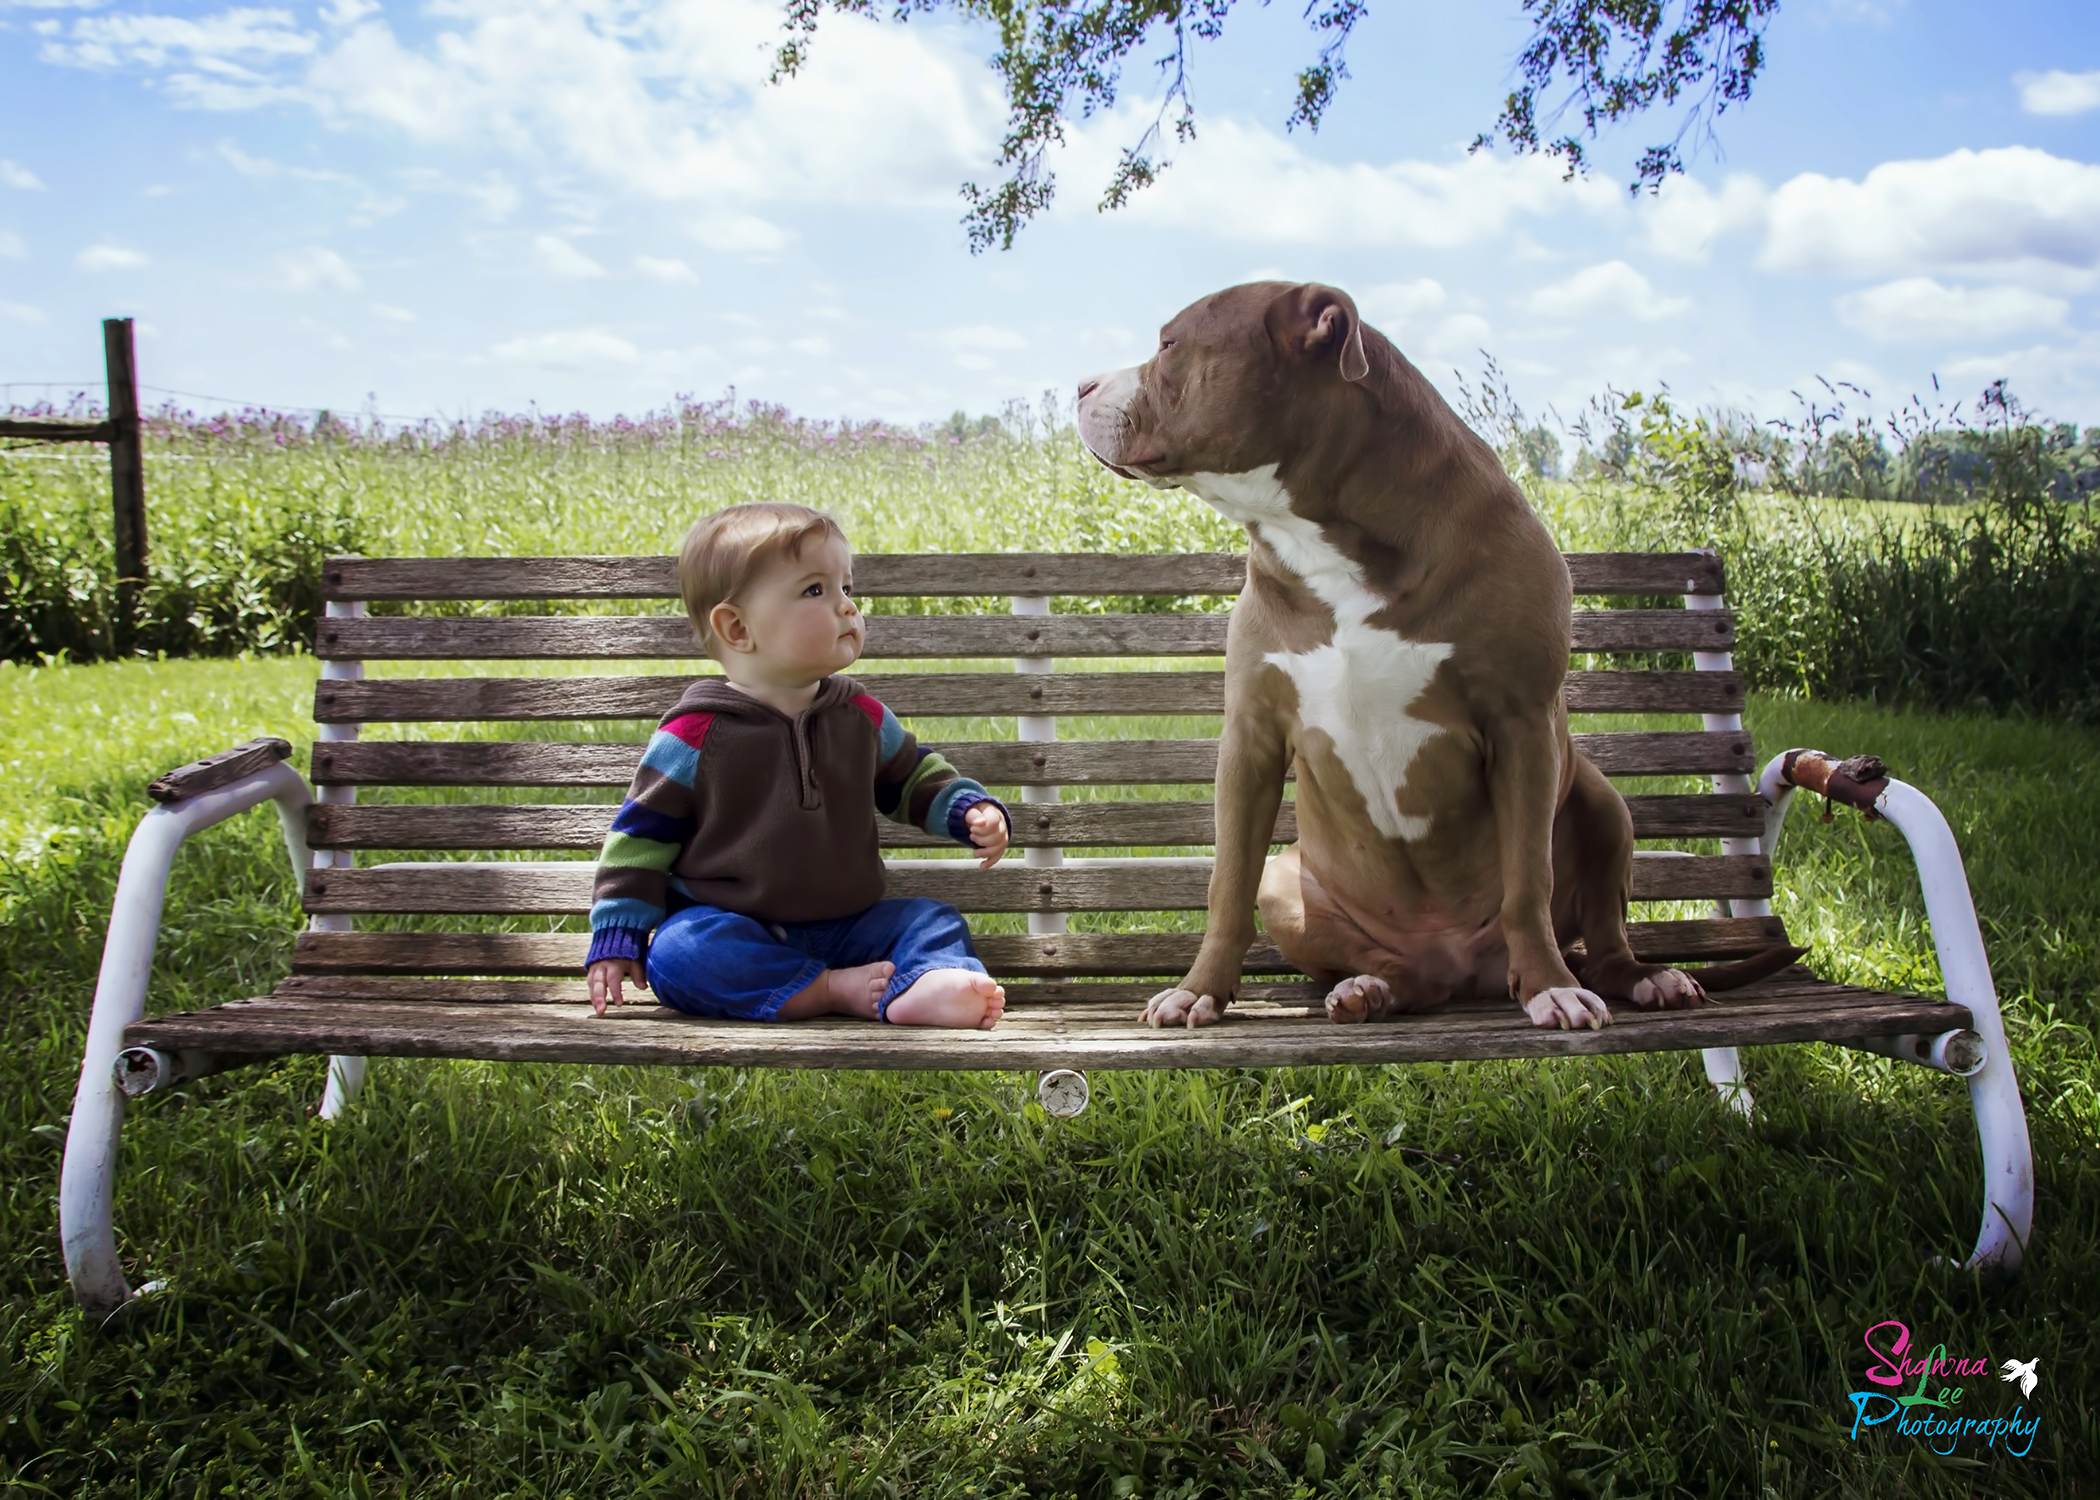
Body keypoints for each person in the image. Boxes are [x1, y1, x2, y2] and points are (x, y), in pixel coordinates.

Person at [584, 502, 1011, 1028]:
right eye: (816, 590)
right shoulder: (695, 735)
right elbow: (640, 836)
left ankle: (926, 984)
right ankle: (829, 989)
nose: (847, 608)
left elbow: (911, 776)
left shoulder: (860, 717)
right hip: (738, 927)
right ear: (737, 628)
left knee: (930, 919)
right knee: (679, 952)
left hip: (853, 927)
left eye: (846, 589)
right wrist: (619, 930)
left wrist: (967, 809)